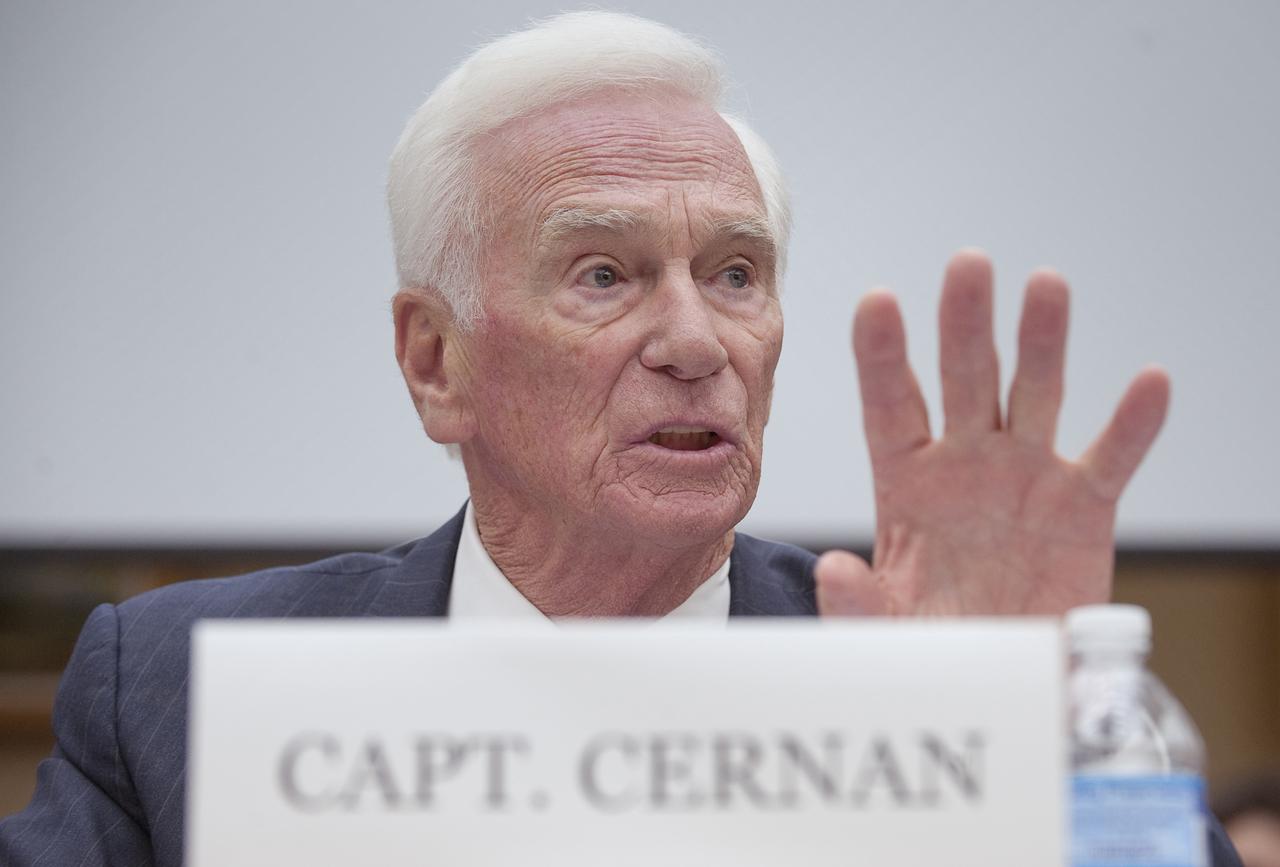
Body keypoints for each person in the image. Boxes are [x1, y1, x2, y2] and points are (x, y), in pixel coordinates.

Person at [0, 10, 1242, 866]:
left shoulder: (913, 663)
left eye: (737, 273)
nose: (697, 340)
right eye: (604, 273)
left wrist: (1023, 754)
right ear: (436, 362)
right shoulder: (179, 684)